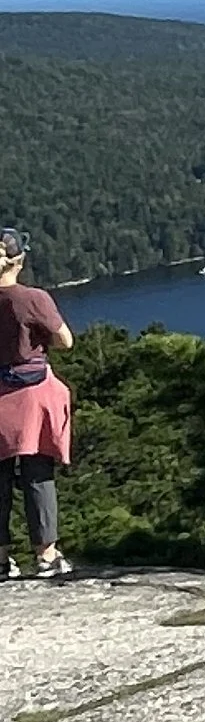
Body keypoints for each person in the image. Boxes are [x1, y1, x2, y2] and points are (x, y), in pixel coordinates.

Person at [0, 228, 76, 582]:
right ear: (20, 259)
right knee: (37, 474)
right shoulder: (33, 299)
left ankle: (1, 560)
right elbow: (65, 341)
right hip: (31, 397)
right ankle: (46, 555)